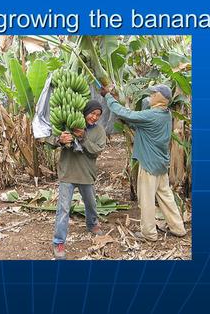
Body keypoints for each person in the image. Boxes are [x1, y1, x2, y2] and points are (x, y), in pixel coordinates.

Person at [100, 84, 186, 242]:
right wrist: (128, 123)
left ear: (161, 97)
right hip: (160, 164)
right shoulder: (166, 114)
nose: (151, 95)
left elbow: (126, 113)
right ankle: (178, 228)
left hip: (148, 164)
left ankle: (149, 233)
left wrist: (108, 97)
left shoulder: (153, 114)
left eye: (154, 93)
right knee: (166, 197)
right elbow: (142, 126)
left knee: (146, 200)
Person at [50, 100, 107, 260]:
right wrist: (59, 140)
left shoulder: (99, 131)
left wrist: (83, 138)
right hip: (67, 173)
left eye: (98, 115)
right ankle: (59, 242)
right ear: (85, 111)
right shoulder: (68, 124)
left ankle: (92, 224)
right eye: (92, 113)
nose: (94, 117)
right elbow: (49, 140)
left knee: (91, 204)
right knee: (63, 210)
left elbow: (96, 151)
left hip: (86, 174)